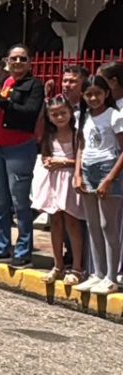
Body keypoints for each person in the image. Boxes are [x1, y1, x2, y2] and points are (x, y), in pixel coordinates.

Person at [0, 44, 45, 268]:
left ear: (30, 62)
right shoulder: (4, 83)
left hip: (20, 149)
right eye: (13, 58)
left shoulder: (34, 86)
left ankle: (23, 250)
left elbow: (29, 114)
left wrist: (2, 101)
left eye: (22, 59)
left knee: (20, 203)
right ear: (7, 61)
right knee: (1, 201)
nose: (17, 63)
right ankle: (1, 246)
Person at [72, 74, 123, 295]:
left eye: (98, 94)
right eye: (89, 94)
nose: (93, 98)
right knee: (92, 225)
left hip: (107, 168)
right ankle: (98, 273)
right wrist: (77, 173)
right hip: (88, 170)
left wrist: (110, 178)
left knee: (107, 225)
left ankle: (112, 276)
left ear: (107, 94)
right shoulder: (83, 117)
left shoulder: (114, 116)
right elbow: (81, 147)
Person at [34, 96, 85, 285]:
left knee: (72, 222)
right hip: (55, 181)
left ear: (71, 113)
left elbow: (81, 160)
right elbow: (45, 155)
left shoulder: (76, 134)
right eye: (54, 114)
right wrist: (48, 161)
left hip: (71, 180)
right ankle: (58, 265)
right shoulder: (49, 135)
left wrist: (63, 162)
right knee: (55, 222)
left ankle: (78, 267)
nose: (59, 117)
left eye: (63, 113)